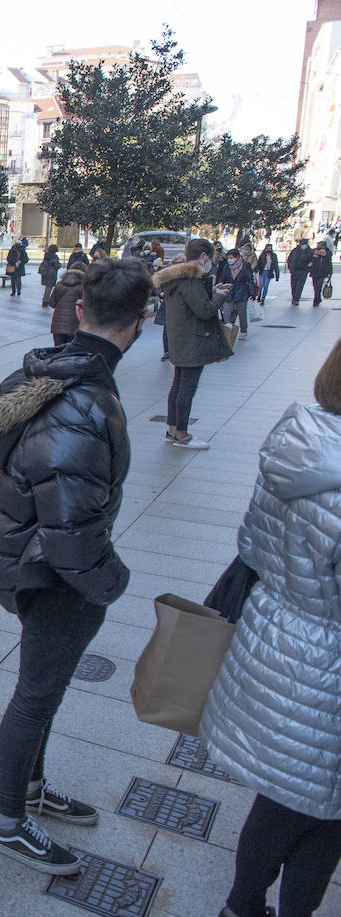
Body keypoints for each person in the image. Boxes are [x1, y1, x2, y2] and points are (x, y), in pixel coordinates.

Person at [0, 257, 152, 876]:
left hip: (30, 557)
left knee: (41, 691)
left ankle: (32, 791)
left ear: (79, 310)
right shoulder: (85, 398)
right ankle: (7, 822)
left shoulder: (48, 372)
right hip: (53, 572)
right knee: (35, 695)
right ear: (142, 322)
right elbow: (71, 528)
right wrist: (109, 582)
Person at [199, 340, 341, 917]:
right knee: (316, 808)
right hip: (326, 665)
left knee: (297, 799)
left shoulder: (300, 439)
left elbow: (251, 544)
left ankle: (245, 903)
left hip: (277, 636)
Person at [156, 239, 232, 451]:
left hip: (179, 338)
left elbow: (191, 304)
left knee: (178, 385)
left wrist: (213, 290)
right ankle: (182, 434)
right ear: (204, 256)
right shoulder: (191, 279)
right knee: (186, 387)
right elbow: (204, 310)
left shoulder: (176, 277)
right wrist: (220, 295)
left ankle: (172, 430)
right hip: (192, 339)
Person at [217, 248, 258, 338]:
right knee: (226, 313)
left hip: (241, 294)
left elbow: (250, 280)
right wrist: (220, 285)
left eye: (231, 257)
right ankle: (226, 332)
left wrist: (252, 294)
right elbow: (222, 277)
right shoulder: (226, 266)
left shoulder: (245, 266)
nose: (229, 260)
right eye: (228, 258)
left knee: (242, 313)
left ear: (237, 257)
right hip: (229, 294)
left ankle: (243, 331)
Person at [48, 266, 83, 346]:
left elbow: (52, 303)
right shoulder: (81, 287)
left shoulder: (59, 285)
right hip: (74, 324)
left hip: (58, 324)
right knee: (70, 351)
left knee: (58, 350)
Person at [288, 239, 313, 304]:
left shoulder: (309, 251)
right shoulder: (295, 250)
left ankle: (296, 299)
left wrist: (308, 268)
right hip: (294, 270)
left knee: (300, 285)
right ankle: (294, 297)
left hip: (303, 270)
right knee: (293, 285)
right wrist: (290, 268)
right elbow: (289, 259)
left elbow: (312, 261)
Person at [311, 241, 333, 307]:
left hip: (323, 272)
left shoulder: (328, 252)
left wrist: (330, 273)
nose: (318, 246)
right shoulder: (314, 251)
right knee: (315, 286)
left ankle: (316, 300)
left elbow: (329, 263)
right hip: (314, 272)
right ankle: (318, 298)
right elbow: (311, 257)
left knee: (318, 286)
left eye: (319, 245)